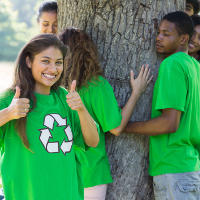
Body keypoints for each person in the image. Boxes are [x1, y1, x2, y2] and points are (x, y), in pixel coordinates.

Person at [0, 33, 99, 200]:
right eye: (45, 61)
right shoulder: (11, 101)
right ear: (28, 61)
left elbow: (93, 141)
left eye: (58, 63)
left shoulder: (64, 97)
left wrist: (81, 109)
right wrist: (8, 113)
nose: (53, 69)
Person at [59, 28, 153, 200]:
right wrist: (136, 93)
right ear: (88, 52)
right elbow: (116, 128)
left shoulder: (55, 90)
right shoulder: (96, 85)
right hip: (91, 173)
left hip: (61, 173)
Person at [123, 11, 200, 199]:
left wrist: (125, 125)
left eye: (166, 34)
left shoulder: (172, 64)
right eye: (159, 32)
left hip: (173, 169)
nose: (158, 38)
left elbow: (169, 123)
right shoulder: (194, 66)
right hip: (188, 166)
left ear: (183, 39)